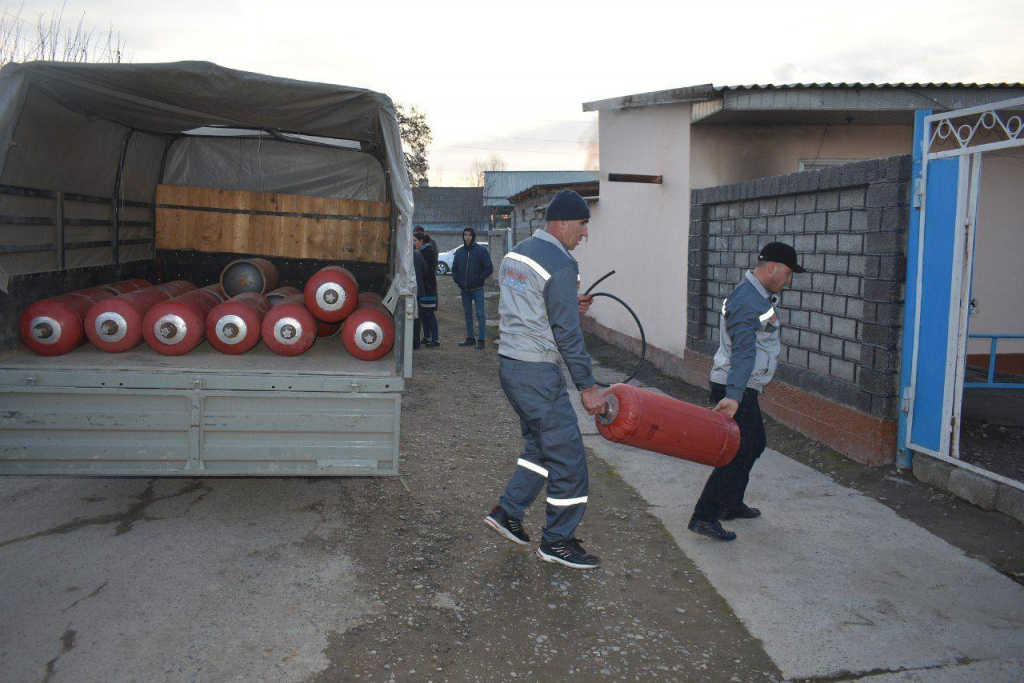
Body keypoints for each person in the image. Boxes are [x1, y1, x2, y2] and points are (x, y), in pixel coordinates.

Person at [484, 189, 605, 570]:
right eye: (583, 224)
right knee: (568, 458)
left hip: (511, 364)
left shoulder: (518, 252)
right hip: (538, 372)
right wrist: (588, 386)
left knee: (540, 448)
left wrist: (569, 299)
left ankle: (508, 512)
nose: (585, 233)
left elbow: (531, 303)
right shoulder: (561, 263)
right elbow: (567, 334)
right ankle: (558, 541)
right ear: (563, 223)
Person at [688, 242, 806, 541]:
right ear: (772, 267)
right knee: (739, 451)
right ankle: (705, 515)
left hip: (741, 385)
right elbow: (743, 352)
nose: (789, 280)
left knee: (754, 445)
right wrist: (734, 396)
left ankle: (730, 503)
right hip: (734, 386)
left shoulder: (758, 296)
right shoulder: (747, 300)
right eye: (788, 273)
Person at [451, 226, 493, 350]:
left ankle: (481, 339)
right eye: (465, 235)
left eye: (469, 235)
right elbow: (454, 269)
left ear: (473, 236)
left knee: (480, 314)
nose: (467, 237)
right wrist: (457, 280)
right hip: (464, 289)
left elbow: (489, 268)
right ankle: (470, 338)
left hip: (477, 289)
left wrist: (479, 278)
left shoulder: (481, 251)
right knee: (467, 314)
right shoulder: (459, 252)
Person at [414, 232, 439, 347]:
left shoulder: (429, 252)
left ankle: (435, 339)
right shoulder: (421, 252)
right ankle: (427, 337)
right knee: (423, 313)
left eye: (415, 241)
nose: (414, 243)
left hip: (428, 287)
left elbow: (427, 272)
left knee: (429, 313)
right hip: (423, 287)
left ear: (421, 241)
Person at [411, 240, 428, 351]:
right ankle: (416, 342)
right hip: (418, 290)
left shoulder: (404, 256)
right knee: (417, 318)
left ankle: (409, 341)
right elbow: (425, 270)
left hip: (408, 290)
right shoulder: (418, 254)